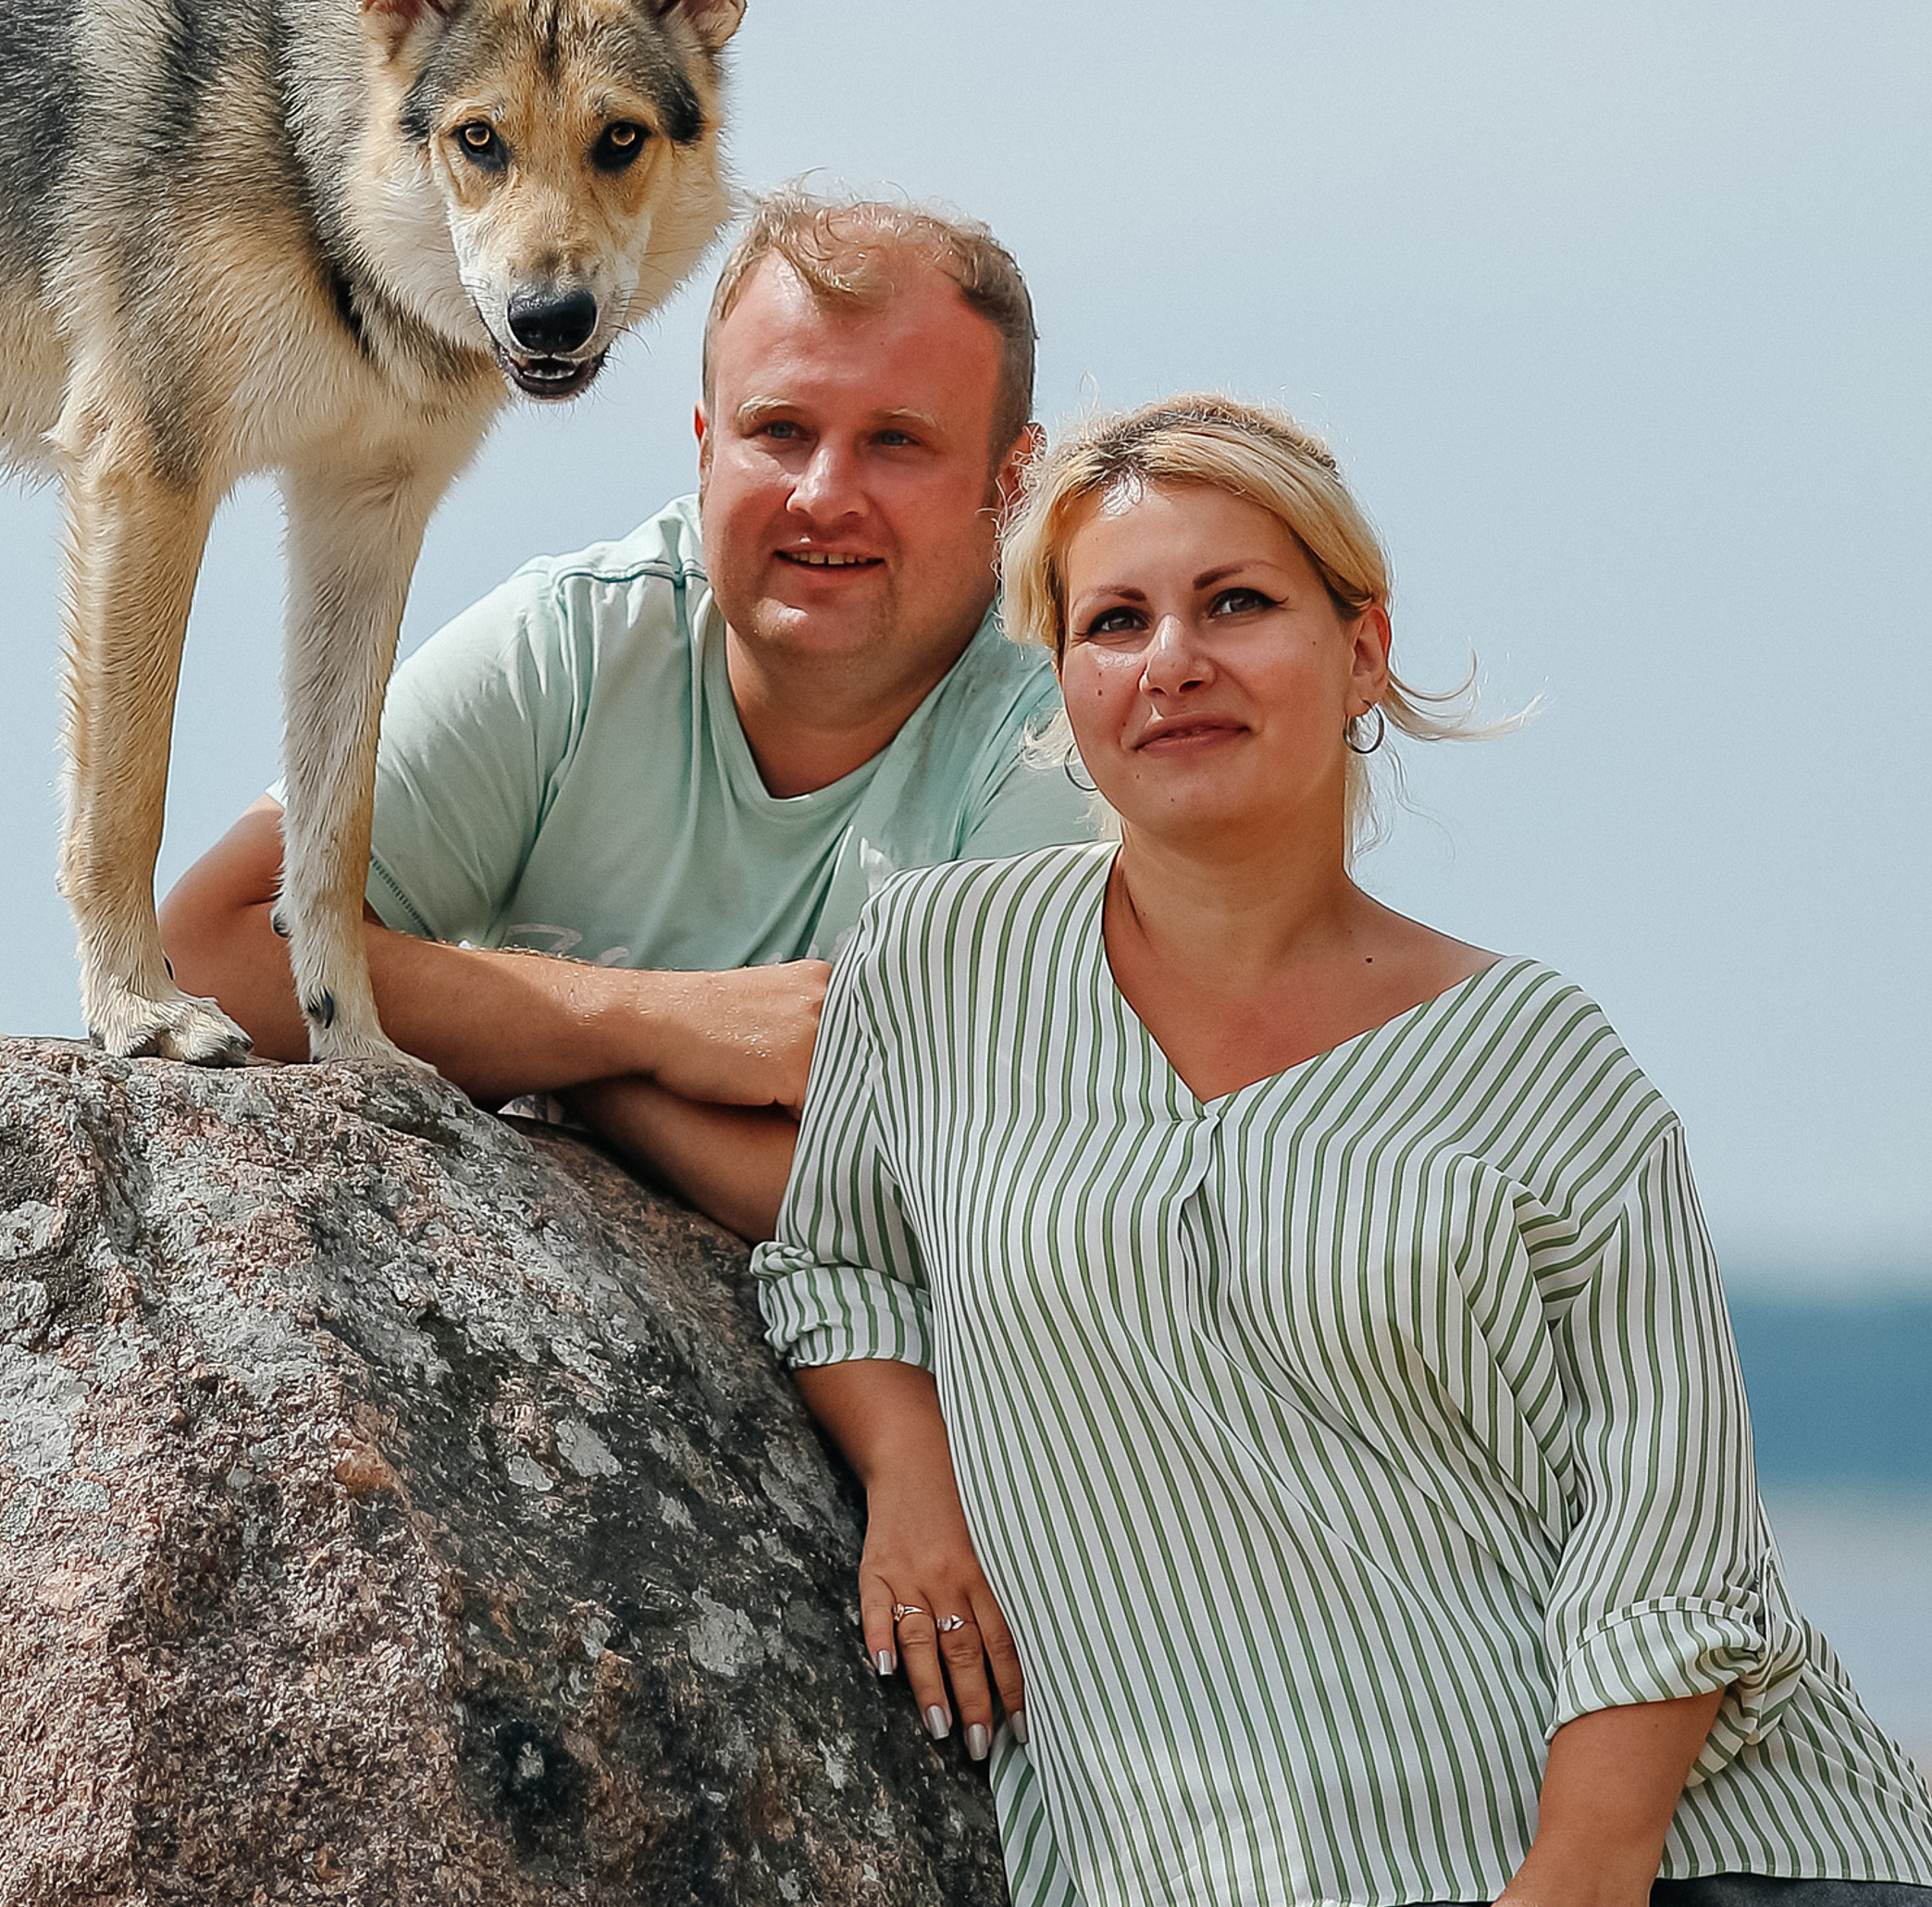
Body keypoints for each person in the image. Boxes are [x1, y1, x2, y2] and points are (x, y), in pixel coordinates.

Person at [756, 394, 1932, 1907]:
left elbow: (1672, 1537)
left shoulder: (1542, 1059)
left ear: (1362, 650)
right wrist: (908, 1477)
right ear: (1063, 683)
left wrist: (1574, 1878)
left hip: (1672, 1855)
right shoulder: (937, 960)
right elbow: (840, 1264)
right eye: (1116, 621)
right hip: (1177, 1862)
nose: (1172, 657)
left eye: (1236, 602)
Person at [158, 193, 1105, 1243]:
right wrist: (659, 1025)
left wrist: (595, 1080)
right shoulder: (575, 641)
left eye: (896, 441)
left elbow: (935, 1208)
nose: (825, 495)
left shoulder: (1066, 737)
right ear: (705, 450)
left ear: (1011, 485)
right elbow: (209, 950)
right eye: (779, 431)